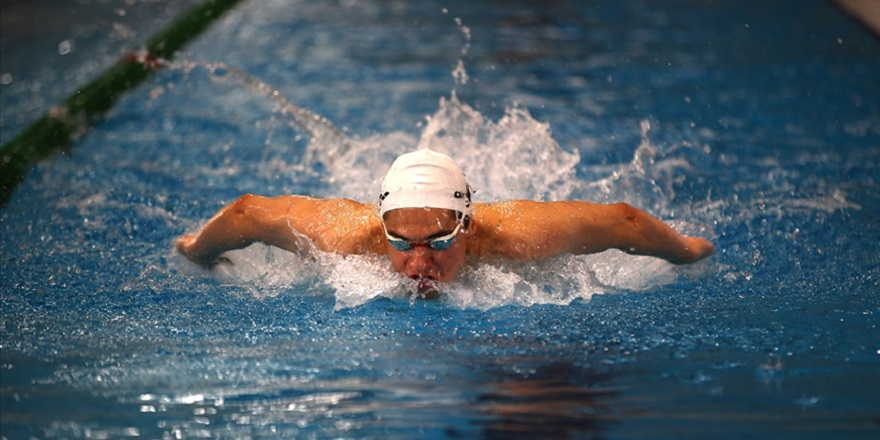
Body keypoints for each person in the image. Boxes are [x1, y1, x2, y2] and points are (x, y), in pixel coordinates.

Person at [176, 149, 714, 296]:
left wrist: (686, 251)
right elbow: (248, 212)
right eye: (401, 243)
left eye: (438, 242)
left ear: (468, 228)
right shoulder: (345, 236)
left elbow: (621, 222)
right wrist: (199, 249)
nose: (419, 264)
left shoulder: (519, 238)